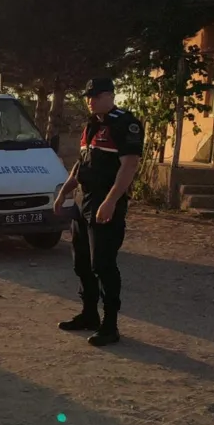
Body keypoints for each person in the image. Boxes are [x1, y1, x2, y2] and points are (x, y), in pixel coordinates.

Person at [52, 78, 143, 346]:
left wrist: (112, 201)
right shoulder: (91, 124)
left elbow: (130, 165)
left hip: (106, 201)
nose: (89, 100)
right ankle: (89, 315)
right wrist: (64, 192)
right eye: (87, 95)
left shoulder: (125, 123)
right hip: (84, 201)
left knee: (102, 264)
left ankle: (110, 325)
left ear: (110, 95)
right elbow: (81, 165)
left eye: (95, 95)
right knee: (81, 263)